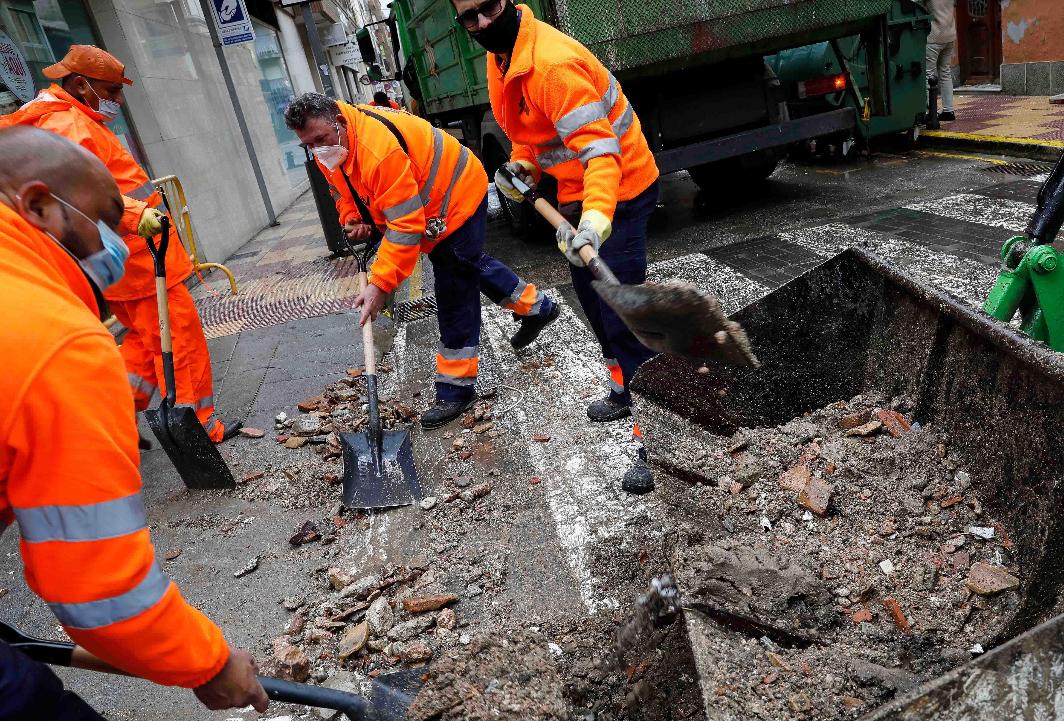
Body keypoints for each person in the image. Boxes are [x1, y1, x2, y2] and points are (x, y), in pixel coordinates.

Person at [0, 126, 268, 721]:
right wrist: (208, 661)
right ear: (38, 205)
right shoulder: (50, 335)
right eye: (102, 221)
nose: (116, 245)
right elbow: (99, 593)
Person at [456, 0, 660, 493]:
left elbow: (601, 153)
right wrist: (525, 167)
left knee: (624, 315)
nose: (482, 22)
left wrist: (594, 221)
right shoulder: (501, 58)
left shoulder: (552, 65)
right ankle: (622, 387)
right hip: (574, 191)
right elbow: (530, 135)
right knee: (593, 301)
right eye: (470, 17)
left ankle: (657, 438)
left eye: (489, 8)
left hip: (620, 189)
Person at [0, 45, 241, 445]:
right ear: (80, 84)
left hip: (130, 259)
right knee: (178, 337)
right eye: (110, 91)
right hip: (140, 258)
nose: (117, 100)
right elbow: (73, 195)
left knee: (143, 345)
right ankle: (198, 426)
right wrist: (134, 216)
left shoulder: (68, 119)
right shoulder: (68, 125)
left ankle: (117, 415)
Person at [284, 92, 561, 429]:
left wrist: (380, 285)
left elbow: (404, 226)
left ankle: (455, 388)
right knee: (466, 262)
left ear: (339, 123)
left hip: (456, 194)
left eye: (321, 140)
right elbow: (344, 190)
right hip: (428, 206)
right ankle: (537, 306)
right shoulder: (337, 146)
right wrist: (352, 219)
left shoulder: (376, 150)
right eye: (308, 145)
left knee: (454, 288)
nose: (318, 150)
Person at [927, 0, 957, 122]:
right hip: (950, 35)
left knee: (928, 74)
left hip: (934, 36)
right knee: (945, 72)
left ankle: (929, 111)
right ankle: (948, 110)